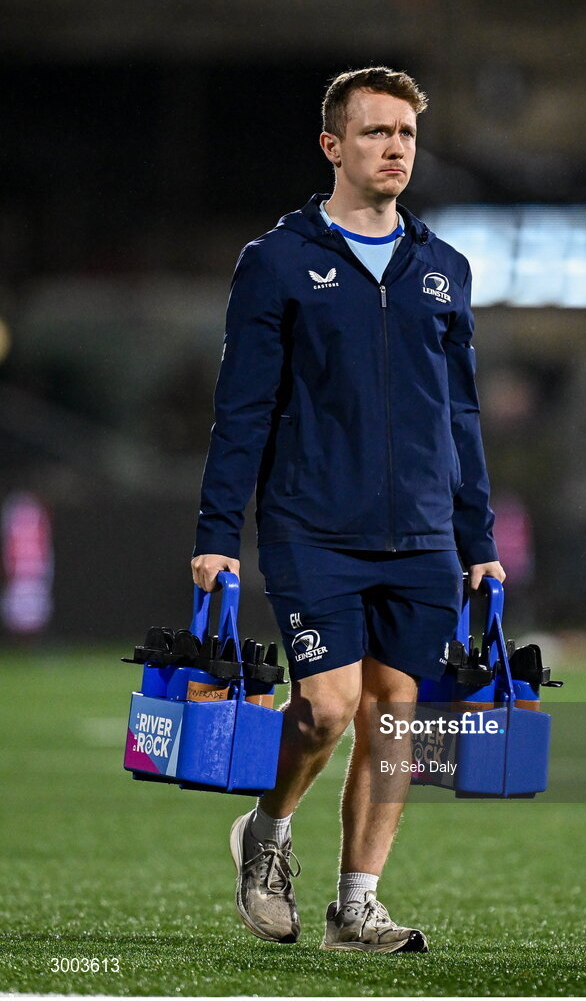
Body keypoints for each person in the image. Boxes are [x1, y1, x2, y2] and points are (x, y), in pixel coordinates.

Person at [191, 66, 504, 954]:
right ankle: (268, 832)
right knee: (327, 708)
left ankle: (354, 906)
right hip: (311, 524)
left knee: (395, 717)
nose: (395, 148)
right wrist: (217, 533)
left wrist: (476, 535)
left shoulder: (443, 269)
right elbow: (242, 407)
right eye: (375, 133)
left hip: (422, 536)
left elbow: (461, 412)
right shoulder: (277, 260)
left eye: (405, 133)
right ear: (333, 146)